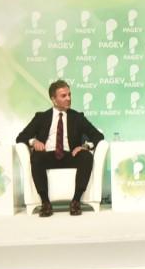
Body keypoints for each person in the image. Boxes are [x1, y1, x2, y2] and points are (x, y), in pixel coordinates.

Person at [16, 79, 105, 216]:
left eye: (69, 95)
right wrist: (34, 142)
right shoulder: (41, 117)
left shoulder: (77, 117)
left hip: (70, 155)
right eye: (63, 96)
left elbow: (98, 136)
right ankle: (45, 203)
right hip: (48, 155)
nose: (68, 98)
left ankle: (76, 201)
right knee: (36, 157)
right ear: (54, 99)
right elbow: (21, 137)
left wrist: (85, 146)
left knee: (86, 157)